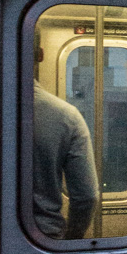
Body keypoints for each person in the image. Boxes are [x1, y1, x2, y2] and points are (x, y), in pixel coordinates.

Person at [33, 82, 100, 239]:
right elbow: (87, 196)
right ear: (41, 56)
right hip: (45, 237)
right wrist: (70, 241)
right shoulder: (67, 116)